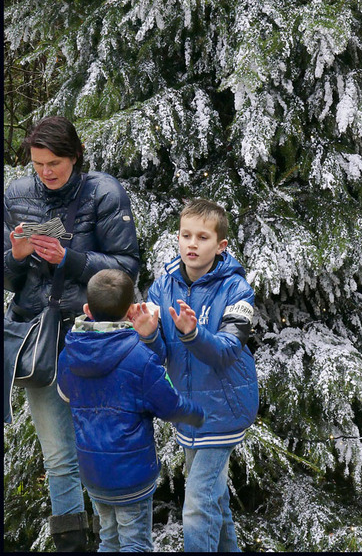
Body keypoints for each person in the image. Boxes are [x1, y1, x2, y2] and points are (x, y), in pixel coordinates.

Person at [4, 116, 140, 552]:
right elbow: (8, 280)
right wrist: (17, 255)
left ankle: (113, 543)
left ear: (75, 156)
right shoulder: (15, 194)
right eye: (38, 163)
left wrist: (70, 258)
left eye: (55, 162)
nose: (46, 171)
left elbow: (127, 269)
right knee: (59, 457)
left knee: (100, 449)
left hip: (93, 336)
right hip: (40, 337)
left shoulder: (103, 191)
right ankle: (71, 546)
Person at [57, 268, 205, 553]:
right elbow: (169, 405)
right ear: (130, 312)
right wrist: (197, 413)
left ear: (87, 309)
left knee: (109, 540)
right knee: (135, 543)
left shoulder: (70, 352)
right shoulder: (140, 358)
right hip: (132, 475)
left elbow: (65, 394)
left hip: (93, 471)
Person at [141, 197, 259, 552]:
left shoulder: (237, 290)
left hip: (225, 409)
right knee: (213, 501)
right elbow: (159, 355)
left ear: (220, 245)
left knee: (197, 507)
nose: (192, 244)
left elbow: (225, 352)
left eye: (202, 237)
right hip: (189, 410)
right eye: (185, 235)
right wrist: (148, 333)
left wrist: (192, 334)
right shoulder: (162, 288)